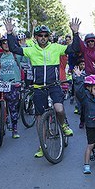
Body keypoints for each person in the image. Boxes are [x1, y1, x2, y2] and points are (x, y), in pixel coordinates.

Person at [5, 18, 81, 158]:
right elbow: (14, 48)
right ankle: (42, 145)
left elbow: (75, 48)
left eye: (46, 35)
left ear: (49, 36)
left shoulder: (56, 47)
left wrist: (75, 33)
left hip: (54, 85)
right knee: (40, 119)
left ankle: (63, 125)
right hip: (39, 87)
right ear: (36, 37)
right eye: (40, 35)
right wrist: (9, 33)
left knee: (59, 108)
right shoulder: (31, 50)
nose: (43, 37)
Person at [0, 37, 23, 139]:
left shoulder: (16, 55)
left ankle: (14, 128)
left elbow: (26, 58)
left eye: (8, 43)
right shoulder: (0, 55)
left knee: (13, 108)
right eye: (4, 43)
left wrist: (22, 45)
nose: (6, 45)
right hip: (2, 83)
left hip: (14, 84)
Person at [73, 70, 95, 174]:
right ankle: (86, 165)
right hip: (91, 123)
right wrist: (79, 77)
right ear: (88, 88)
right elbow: (79, 90)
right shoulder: (85, 97)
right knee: (91, 145)